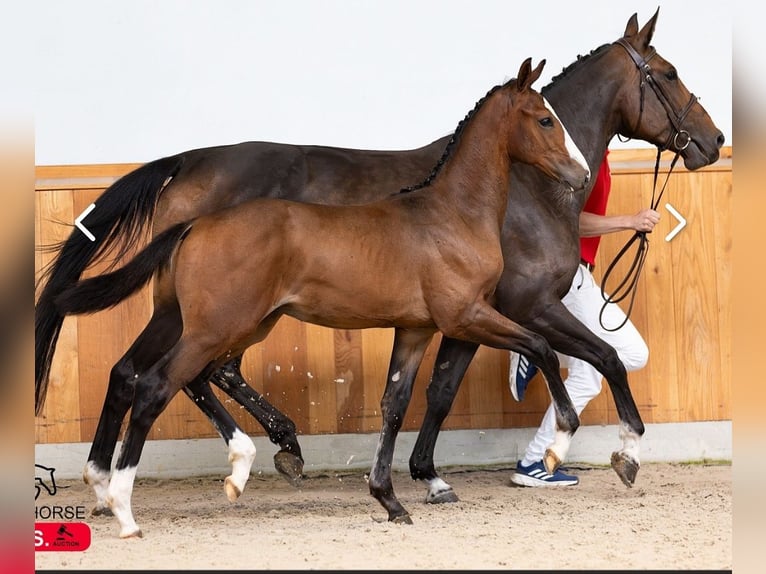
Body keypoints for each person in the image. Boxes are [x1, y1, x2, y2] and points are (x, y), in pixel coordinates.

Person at [508, 150, 660, 487]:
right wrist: (629, 221)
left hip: (579, 276)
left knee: (589, 371)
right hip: (569, 278)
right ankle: (530, 345)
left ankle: (534, 460)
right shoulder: (580, 159)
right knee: (632, 354)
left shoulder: (595, 154)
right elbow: (566, 221)